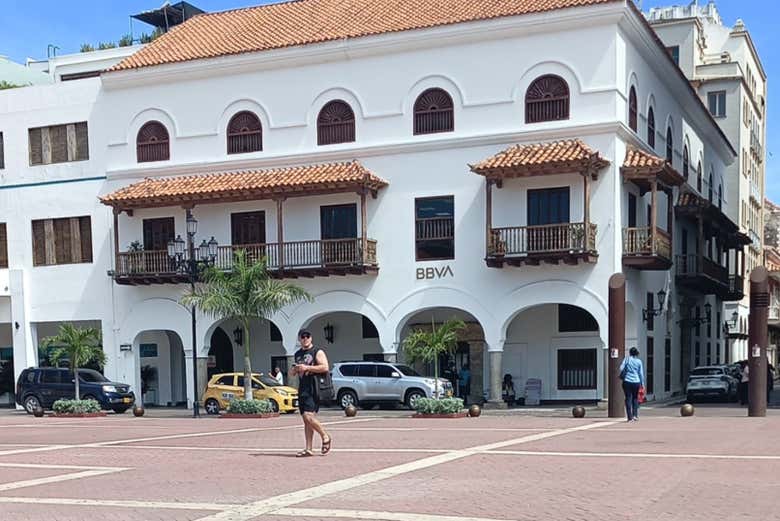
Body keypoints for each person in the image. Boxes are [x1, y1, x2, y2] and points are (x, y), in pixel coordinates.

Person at [290, 329, 331, 457]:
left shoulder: (317, 352)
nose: (305, 339)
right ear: (299, 339)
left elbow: (325, 367)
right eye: (302, 337)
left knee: (308, 416)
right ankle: (308, 448)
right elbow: (292, 373)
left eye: (307, 336)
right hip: (303, 388)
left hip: (314, 387)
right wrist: (295, 370)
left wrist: (307, 367)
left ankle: (325, 435)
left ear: (311, 338)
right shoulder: (297, 354)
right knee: (306, 420)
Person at [620, 347, 645, 422]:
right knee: (635, 398)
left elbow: (621, 368)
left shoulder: (626, 359)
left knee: (628, 398)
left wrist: (627, 369)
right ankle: (635, 415)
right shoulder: (639, 361)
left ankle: (629, 417)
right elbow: (641, 373)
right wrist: (642, 383)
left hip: (627, 381)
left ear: (630, 352)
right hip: (636, 381)